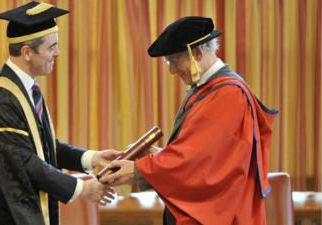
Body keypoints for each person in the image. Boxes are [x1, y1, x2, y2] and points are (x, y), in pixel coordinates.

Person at [100, 17, 278, 225]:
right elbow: (198, 153)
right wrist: (156, 155)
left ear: (197, 54)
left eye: (173, 61)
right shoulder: (207, 90)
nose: (172, 70)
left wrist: (139, 169)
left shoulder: (229, 94)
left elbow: (198, 164)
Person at [0, 2, 119, 225]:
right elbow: (23, 161)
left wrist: (91, 158)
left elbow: (42, 148)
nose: (57, 53)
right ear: (27, 52)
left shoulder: (26, 90)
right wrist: (81, 188)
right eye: (52, 47)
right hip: (4, 217)